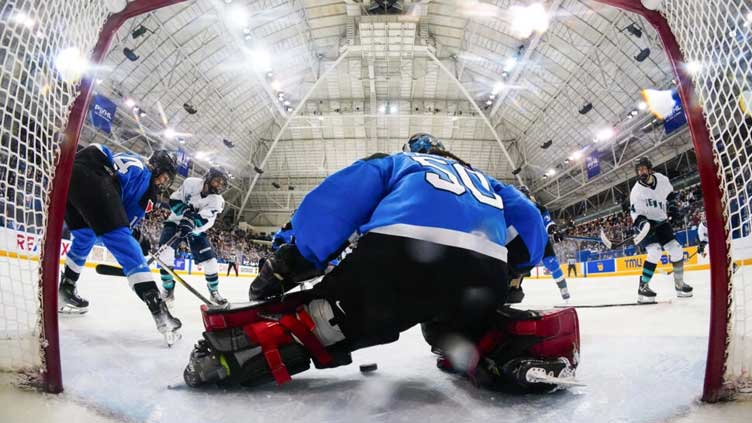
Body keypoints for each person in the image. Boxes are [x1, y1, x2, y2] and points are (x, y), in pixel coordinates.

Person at [182, 133, 579, 392]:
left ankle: (230, 355)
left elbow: (338, 203)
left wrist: (293, 261)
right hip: (484, 269)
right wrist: (513, 274)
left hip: (400, 257)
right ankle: (500, 349)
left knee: (321, 323)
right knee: (460, 324)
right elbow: (529, 219)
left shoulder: (399, 163)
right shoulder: (487, 181)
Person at [59, 144, 182, 345]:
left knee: (85, 237)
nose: (162, 182)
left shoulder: (133, 160)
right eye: (165, 177)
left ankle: (66, 288)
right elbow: (119, 229)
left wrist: (131, 232)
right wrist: (138, 239)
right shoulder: (148, 186)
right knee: (125, 243)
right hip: (96, 178)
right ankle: (161, 313)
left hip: (75, 168)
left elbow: (104, 219)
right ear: (158, 169)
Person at [157, 167, 229, 305]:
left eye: (222, 183)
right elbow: (174, 201)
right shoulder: (191, 183)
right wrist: (185, 213)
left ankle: (214, 292)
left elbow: (205, 220)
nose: (219, 185)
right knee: (164, 254)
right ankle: (168, 291)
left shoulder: (217, 201)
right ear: (208, 178)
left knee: (211, 262)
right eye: (217, 181)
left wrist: (190, 222)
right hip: (175, 221)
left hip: (196, 229)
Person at [630, 157, 693, 303]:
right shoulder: (636, 192)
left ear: (650, 169)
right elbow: (636, 215)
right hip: (647, 226)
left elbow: (670, 195)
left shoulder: (662, 179)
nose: (641, 172)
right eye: (639, 170)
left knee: (677, 250)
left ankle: (679, 284)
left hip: (662, 222)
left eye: (643, 169)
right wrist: (644, 224)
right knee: (655, 252)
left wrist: (672, 207)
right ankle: (643, 286)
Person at [510, 186, 570, 301]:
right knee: (517, 268)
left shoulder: (540, 208)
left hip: (541, 238)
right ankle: (512, 291)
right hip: (524, 241)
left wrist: (553, 230)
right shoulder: (515, 208)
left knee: (552, 263)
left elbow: (547, 221)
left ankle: (564, 290)